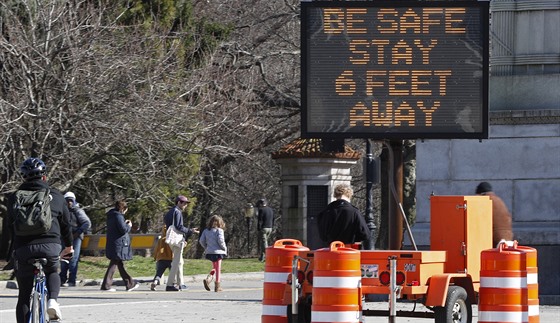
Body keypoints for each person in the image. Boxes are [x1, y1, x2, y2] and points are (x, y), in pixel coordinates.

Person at [7, 157, 74, 322]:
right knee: (52, 270)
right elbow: (66, 225)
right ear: (44, 176)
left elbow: (10, 227)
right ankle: (52, 301)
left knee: (23, 295)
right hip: (50, 246)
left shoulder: (14, 197)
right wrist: (69, 246)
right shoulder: (56, 196)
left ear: (24, 177)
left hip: (24, 249)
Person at [100, 199, 140, 292]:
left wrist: (124, 223)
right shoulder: (118, 216)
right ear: (123, 208)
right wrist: (129, 226)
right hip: (118, 243)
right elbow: (122, 230)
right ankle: (106, 285)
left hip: (113, 242)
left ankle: (129, 283)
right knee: (115, 262)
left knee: (118, 263)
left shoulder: (111, 215)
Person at [163, 195, 199, 291]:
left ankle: (181, 283)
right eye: (184, 203)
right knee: (176, 262)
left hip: (171, 239)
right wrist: (190, 231)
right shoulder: (177, 212)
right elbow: (179, 227)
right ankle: (170, 284)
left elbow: (167, 222)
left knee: (179, 261)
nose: (185, 205)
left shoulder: (170, 212)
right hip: (177, 239)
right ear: (179, 202)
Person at [59, 191, 91, 287]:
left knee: (73, 259)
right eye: (67, 200)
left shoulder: (78, 211)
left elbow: (87, 223)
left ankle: (72, 280)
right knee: (64, 259)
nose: (69, 202)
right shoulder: (62, 211)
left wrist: (78, 232)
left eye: (71, 200)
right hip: (64, 237)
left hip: (76, 238)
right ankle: (62, 279)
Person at [476, 182, 514, 246]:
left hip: (497, 242)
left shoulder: (484, 201)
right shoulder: (499, 200)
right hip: (508, 239)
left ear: (480, 193)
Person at [199, 215, 228, 292]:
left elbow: (201, 241)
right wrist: (224, 248)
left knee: (214, 267)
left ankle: (208, 279)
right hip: (218, 252)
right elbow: (221, 241)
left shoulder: (206, 231)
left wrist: (207, 247)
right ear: (220, 223)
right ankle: (217, 286)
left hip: (210, 252)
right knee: (218, 269)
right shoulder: (219, 231)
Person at [150, 225, 173, 291]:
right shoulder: (171, 239)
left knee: (159, 273)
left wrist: (155, 257)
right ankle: (173, 284)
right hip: (170, 258)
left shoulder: (161, 239)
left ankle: (155, 282)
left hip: (161, 258)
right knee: (172, 273)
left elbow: (157, 249)